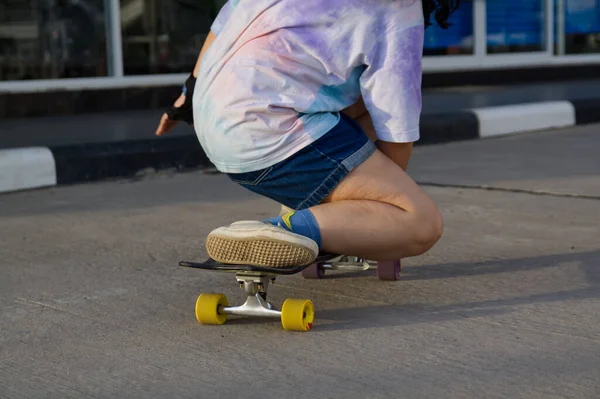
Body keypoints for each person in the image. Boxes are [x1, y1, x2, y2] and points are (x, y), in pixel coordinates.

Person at [156, 0, 460, 268]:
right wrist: (380, 214)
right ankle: (281, 231)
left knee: (359, 102)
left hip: (215, 125)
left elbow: (222, 26)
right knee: (421, 222)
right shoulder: (397, 8)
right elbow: (396, 122)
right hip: (272, 135)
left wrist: (186, 96)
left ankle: (311, 213)